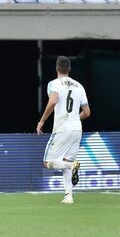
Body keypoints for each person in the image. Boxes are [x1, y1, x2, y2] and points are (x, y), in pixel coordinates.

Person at [36, 56, 90, 204]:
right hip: (77, 129)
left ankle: (72, 166)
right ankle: (68, 196)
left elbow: (53, 100)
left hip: (62, 129)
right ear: (69, 68)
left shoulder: (53, 84)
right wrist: (75, 120)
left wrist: (42, 121)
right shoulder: (79, 86)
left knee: (48, 162)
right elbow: (87, 112)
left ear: (56, 68)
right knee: (66, 160)